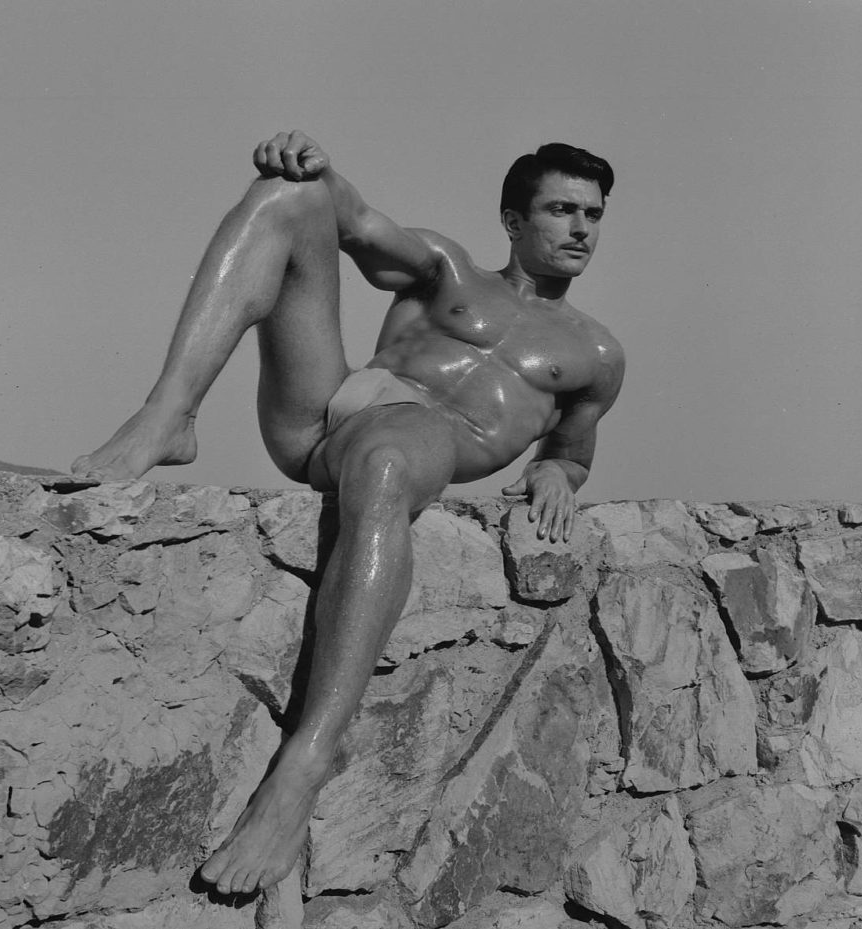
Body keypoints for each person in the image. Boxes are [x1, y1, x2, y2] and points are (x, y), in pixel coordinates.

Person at [72, 130, 625, 896]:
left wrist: (558, 474)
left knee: (389, 459)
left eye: (593, 215)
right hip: (325, 413)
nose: (581, 229)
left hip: (422, 440)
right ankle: (170, 412)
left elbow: (570, 449)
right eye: (562, 209)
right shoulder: (447, 268)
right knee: (287, 198)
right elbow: (356, 220)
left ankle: (308, 759)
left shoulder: (596, 353)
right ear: (513, 219)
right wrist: (314, 169)